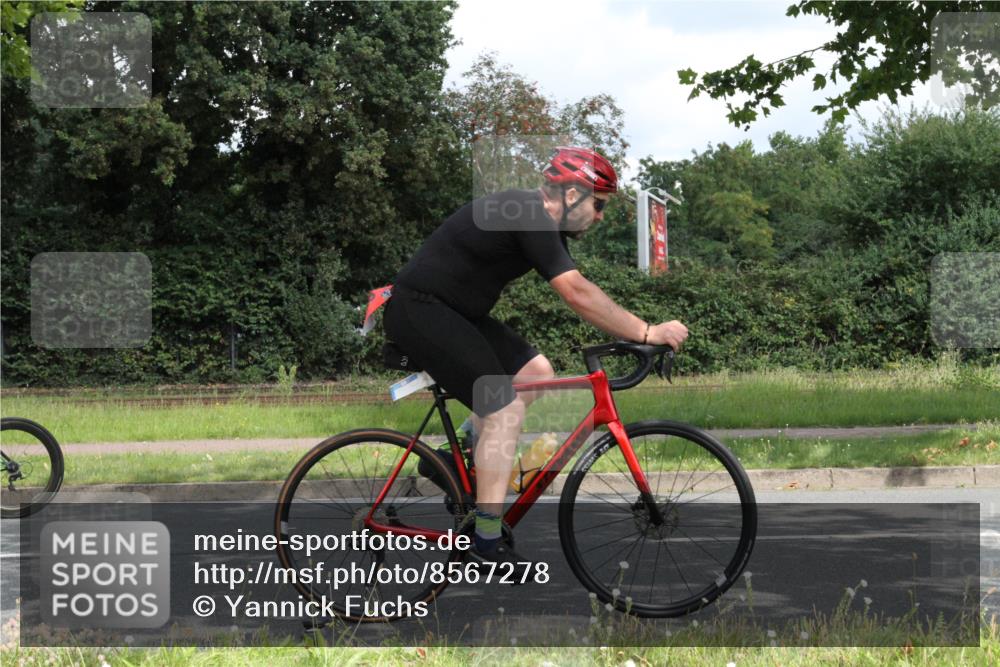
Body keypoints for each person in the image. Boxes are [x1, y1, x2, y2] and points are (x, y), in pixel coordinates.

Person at [382, 146, 689, 570]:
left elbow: (579, 288)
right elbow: (576, 292)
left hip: (454, 312)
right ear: (572, 194)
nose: (599, 216)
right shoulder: (528, 212)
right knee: (505, 408)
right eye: (598, 205)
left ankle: (456, 460)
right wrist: (646, 331)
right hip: (420, 309)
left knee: (537, 373)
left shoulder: (540, 222)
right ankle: (485, 541)